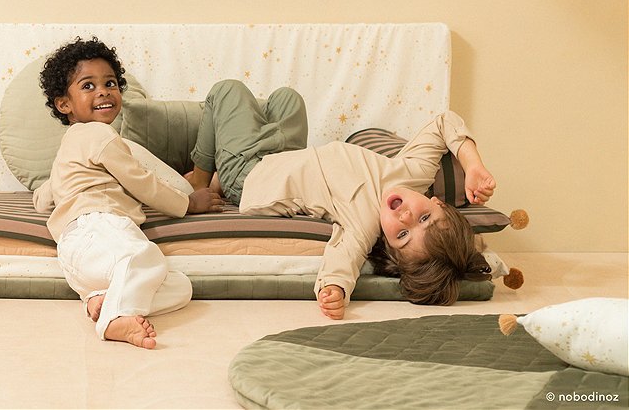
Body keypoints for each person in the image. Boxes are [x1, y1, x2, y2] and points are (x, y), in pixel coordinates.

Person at [186, 79, 496, 319]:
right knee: (288, 99)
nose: (405, 218)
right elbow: (443, 122)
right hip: (285, 155)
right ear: (438, 202)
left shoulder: (363, 223)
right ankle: (223, 166)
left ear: (389, 245)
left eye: (402, 235)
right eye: (424, 218)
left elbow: (344, 258)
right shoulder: (416, 171)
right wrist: (472, 166)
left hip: (251, 176)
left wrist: (335, 289)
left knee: (227, 90)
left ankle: (202, 180)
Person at [33, 37, 225, 349]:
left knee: (179, 286)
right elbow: (141, 180)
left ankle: (103, 301)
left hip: (79, 261)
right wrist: (188, 202)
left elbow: (43, 197)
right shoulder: (100, 135)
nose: (103, 91)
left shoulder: (68, 148)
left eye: (110, 83)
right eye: (88, 86)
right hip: (99, 228)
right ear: (64, 104)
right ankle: (113, 319)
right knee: (143, 257)